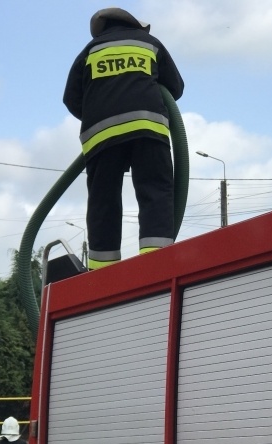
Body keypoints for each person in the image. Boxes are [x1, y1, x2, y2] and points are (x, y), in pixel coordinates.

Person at [63, 7, 185, 270]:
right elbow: (175, 87)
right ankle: (157, 261)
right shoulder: (149, 43)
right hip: (148, 129)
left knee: (103, 201)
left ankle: (102, 271)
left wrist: (100, 109)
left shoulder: (90, 50)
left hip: (101, 136)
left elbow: (70, 98)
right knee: (154, 189)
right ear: (134, 25)